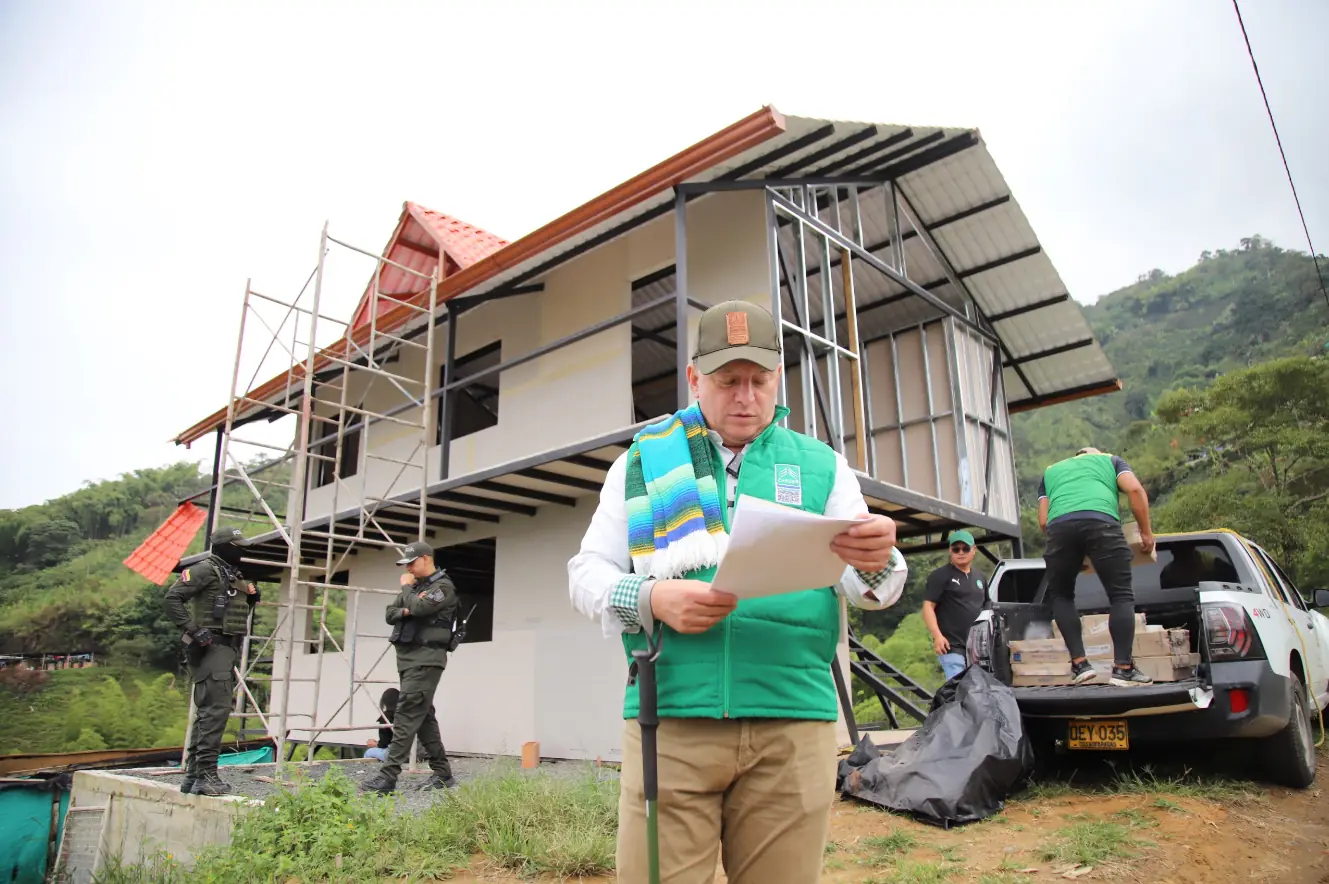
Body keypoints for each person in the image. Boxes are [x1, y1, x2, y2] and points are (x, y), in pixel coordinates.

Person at [567, 299, 908, 884]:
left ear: (779, 379)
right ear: (695, 378)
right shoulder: (639, 464)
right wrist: (651, 599)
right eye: (728, 381)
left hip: (793, 721)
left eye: (760, 380)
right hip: (671, 718)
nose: (746, 397)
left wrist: (879, 561)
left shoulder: (822, 467)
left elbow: (869, 586)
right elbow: (587, 573)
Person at [1037, 447, 1155, 687]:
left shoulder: (1051, 472)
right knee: (1120, 595)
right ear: (1095, 454)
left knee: (1061, 595)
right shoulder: (1110, 461)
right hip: (1101, 523)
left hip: (1059, 530)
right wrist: (1145, 531)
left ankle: (1080, 665)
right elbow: (1134, 489)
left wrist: (1070, 552)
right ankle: (1123, 668)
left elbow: (1043, 520)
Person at [164, 526, 261, 796]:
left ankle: (194, 776)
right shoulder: (204, 569)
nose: (240, 550)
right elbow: (173, 598)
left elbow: (231, 610)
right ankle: (206, 775)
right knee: (215, 713)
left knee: (208, 714)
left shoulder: (229, 573)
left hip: (224, 649)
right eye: (236, 545)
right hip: (211, 649)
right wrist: (193, 629)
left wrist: (251, 598)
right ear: (223, 546)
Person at [360, 540, 461, 794]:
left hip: (426, 660)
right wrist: (409, 607)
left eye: (411, 563)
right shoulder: (417, 587)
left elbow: (419, 606)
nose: (408, 570)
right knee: (423, 715)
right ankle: (443, 773)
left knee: (405, 713)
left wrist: (409, 596)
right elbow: (390, 613)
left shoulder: (442, 587)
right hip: (408, 660)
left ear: (426, 559)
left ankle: (388, 777)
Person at [921, 529, 988, 681]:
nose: (961, 552)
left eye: (965, 548)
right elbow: (927, 607)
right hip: (951, 646)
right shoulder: (940, 576)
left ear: (974, 550)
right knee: (958, 687)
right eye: (956, 549)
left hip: (976, 647)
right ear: (950, 551)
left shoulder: (980, 577)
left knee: (977, 688)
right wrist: (937, 636)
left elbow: (987, 607)